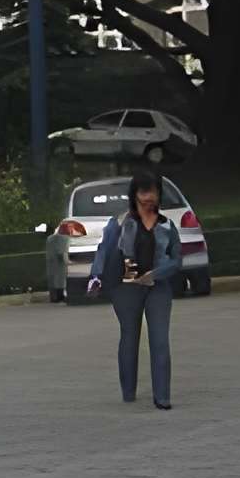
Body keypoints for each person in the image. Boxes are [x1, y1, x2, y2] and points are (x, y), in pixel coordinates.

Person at [87, 167, 181, 409]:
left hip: (158, 286)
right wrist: (95, 276)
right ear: (135, 194)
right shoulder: (120, 223)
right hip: (126, 287)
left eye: (153, 192)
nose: (149, 197)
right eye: (144, 192)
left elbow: (176, 260)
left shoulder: (167, 226)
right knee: (129, 336)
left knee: (160, 339)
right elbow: (104, 251)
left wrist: (156, 274)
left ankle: (162, 397)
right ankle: (128, 391)